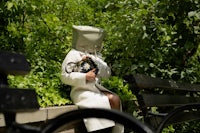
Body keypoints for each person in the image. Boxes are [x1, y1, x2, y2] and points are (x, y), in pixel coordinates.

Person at [61, 25, 124, 133]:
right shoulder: (73, 54)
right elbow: (64, 76)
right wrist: (84, 77)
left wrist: (96, 61)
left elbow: (107, 74)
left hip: (95, 89)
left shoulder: (96, 55)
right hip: (81, 90)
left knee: (115, 99)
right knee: (98, 103)